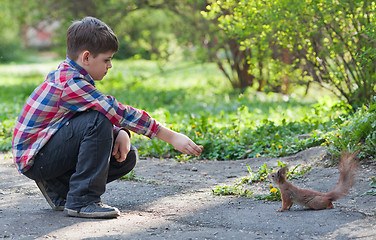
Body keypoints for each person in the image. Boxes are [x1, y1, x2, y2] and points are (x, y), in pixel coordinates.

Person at [12, 16, 203, 219]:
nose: (110, 66)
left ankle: (60, 190)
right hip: (35, 158)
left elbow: (82, 116)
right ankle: (82, 201)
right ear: (86, 58)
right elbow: (114, 111)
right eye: (107, 59)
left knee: (125, 157)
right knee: (98, 120)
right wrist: (170, 136)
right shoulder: (70, 83)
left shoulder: (74, 76)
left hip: (44, 153)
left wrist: (119, 132)